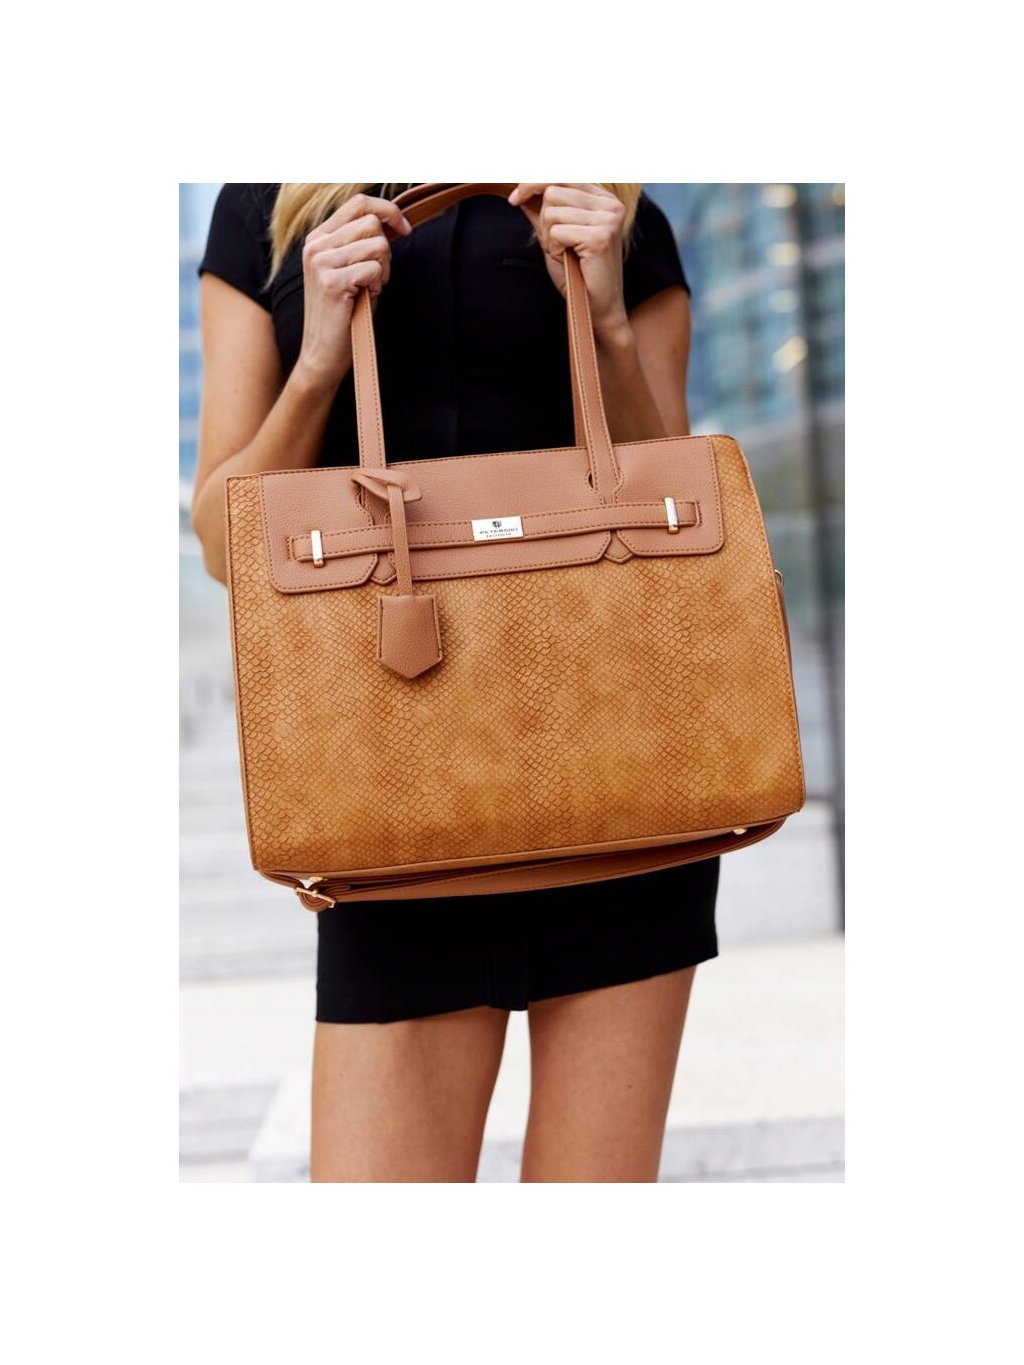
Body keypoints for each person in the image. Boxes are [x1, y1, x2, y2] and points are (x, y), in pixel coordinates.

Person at [194, 182, 719, 1183]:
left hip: (617, 784)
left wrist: (606, 321)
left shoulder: (607, 205)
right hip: (395, 805)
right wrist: (318, 362)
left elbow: (675, 513)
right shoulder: (270, 207)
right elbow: (226, 542)